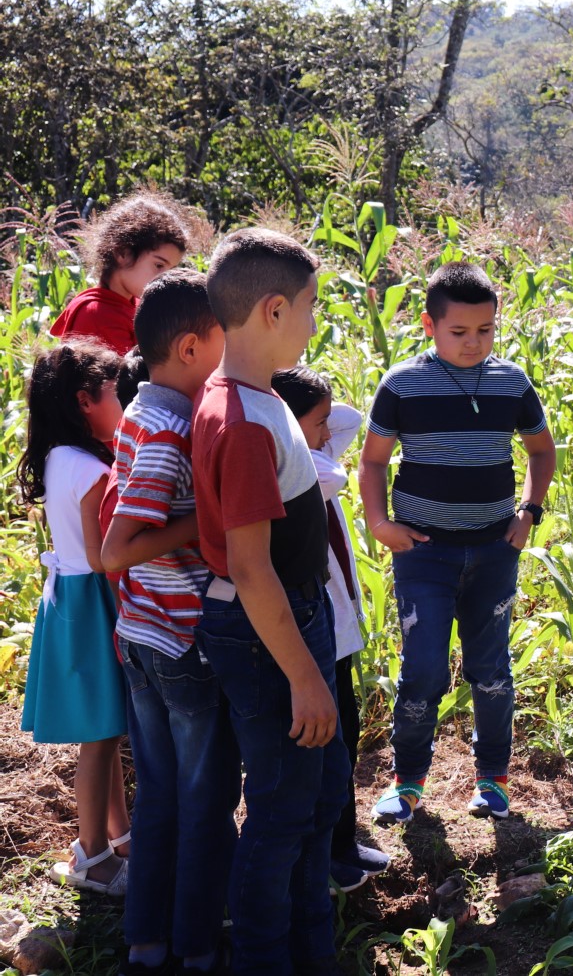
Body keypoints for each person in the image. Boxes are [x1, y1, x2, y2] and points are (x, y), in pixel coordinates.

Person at [190, 228, 347, 976]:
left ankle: (313, 951)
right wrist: (306, 677)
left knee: (311, 807)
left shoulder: (251, 395)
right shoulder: (246, 420)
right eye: (312, 308)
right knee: (282, 814)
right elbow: (252, 570)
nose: (316, 324)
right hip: (269, 636)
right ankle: (263, 960)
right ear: (275, 310)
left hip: (289, 623)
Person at [361, 262, 556, 824]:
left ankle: (493, 779)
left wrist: (529, 512)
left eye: (486, 330)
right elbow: (373, 464)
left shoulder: (511, 382)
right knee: (422, 668)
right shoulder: (402, 384)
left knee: (490, 669)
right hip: (424, 552)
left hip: (495, 550)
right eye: (459, 332)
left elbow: (542, 451)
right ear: (429, 325)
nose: (474, 343)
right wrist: (379, 524)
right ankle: (408, 781)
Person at [100, 269, 236, 975]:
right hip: (180, 639)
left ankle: (146, 942)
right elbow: (117, 547)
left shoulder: (143, 408)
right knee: (205, 798)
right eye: (224, 337)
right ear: (190, 347)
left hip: (142, 634)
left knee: (158, 793)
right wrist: (205, 521)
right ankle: (196, 946)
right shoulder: (172, 423)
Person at [17, 339, 131, 895]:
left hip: (67, 598)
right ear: (86, 400)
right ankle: (92, 855)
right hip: (92, 603)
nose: (126, 406)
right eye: (117, 395)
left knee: (101, 731)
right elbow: (101, 556)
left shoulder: (63, 458)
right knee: (103, 738)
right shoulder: (93, 470)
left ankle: (118, 837)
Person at [272, 366, 392, 892]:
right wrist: (295, 430)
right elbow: (335, 468)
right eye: (316, 423)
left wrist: (310, 416)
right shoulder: (305, 471)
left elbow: (348, 421)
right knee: (326, 749)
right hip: (316, 632)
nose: (329, 432)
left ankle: (344, 843)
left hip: (338, 628)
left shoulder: (312, 453)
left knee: (343, 740)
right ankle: (327, 859)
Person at [51, 193, 190, 355]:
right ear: (123, 253)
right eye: (158, 265)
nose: (166, 277)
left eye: (171, 269)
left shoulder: (136, 304)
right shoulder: (97, 314)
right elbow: (126, 378)